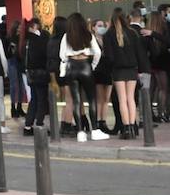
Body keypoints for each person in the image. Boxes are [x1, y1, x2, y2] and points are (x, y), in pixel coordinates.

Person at [59, 13, 106, 141]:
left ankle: (80, 132)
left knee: (76, 100)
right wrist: (93, 65)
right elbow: (97, 52)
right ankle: (95, 130)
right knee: (91, 99)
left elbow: (62, 55)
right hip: (85, 66)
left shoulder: (66, 36)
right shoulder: (88, 35)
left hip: (72, 67)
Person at [104, 8, 143, 139]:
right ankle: (132, 126)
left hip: (118, 70)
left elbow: (109, 56)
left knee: (122, 100)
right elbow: (139, 53)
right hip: (132, 68)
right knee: (131, 99)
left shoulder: (109, 34)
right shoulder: (132, 33)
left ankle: (126, 128)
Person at [22, 17, 52, 136]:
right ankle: (39, 124)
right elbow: (43, 55)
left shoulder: (25, 41)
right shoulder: (40, 39)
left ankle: (28, 125)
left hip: (30, 74)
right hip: (40, 73)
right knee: (41, 100)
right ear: (34, 27)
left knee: (34, 100)